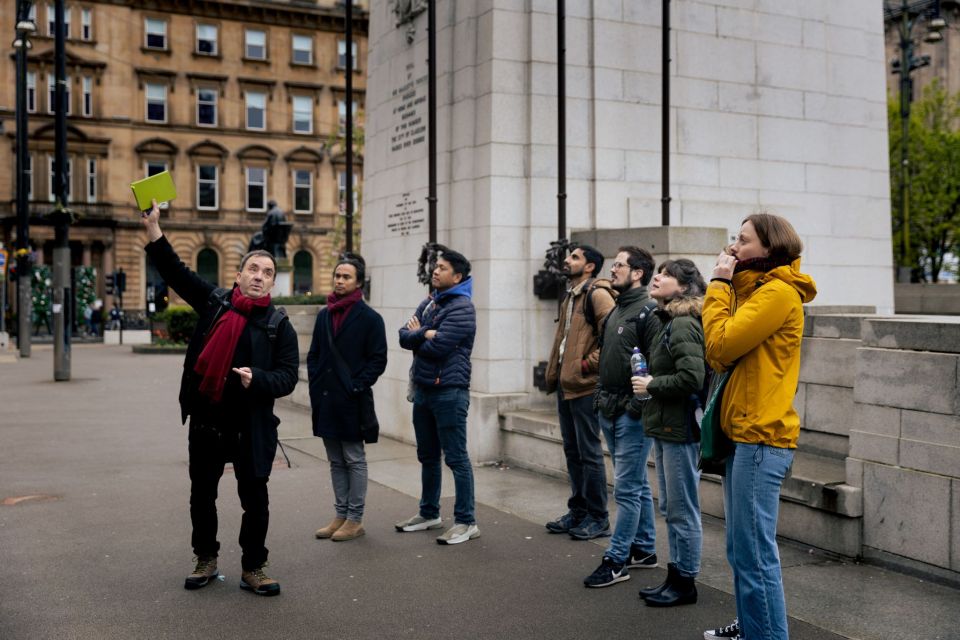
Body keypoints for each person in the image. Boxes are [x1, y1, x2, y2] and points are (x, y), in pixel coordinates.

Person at [141, 199, 299, 597]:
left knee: (255, 502)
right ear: (239, 274)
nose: (259, 277)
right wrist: (153, 228)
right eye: (253, 269)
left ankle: (254, 567)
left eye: (267, 272)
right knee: (202, 496)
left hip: (252, 427)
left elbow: (288, 378)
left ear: (273, 282)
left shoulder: (280, 325)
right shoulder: (214, 303)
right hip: (208, 421)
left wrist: (258, 379)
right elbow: (176, 272)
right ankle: (206, 558)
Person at [701, 213, 817, 640]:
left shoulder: (778, 295)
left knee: (754, 554)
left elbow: (719, 346)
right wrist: (729, 288)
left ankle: (766, 633)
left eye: (744, 240)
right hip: (745, 436)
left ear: (769, 249)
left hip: (761, 438)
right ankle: (753, 626)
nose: (734, 247)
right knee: (742, 549)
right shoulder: (755, 293)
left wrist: (717, 284)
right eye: (734, 238)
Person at [583, 246, 660, 588]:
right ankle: (643, 549)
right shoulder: (617, 309)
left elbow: (656, 367)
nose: (612, 270)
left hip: (631, 413)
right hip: (609, 408)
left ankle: (616, 561)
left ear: (638, 273)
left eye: (619, 265)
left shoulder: (649, 312)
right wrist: (601, 397)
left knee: (626, 490)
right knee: (636, 484)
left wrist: (634, 407)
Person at [631, 259, 706, 607]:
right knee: (671, 507)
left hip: (679, 429)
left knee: (681, 509)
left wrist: (652, 384)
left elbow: (693, 378)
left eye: (667, 274)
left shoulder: (683, 323)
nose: (657, 277)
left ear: (684, 286)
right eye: (658, 272)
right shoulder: (668, 321)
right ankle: (675, 577)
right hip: (665, 426)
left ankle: (685, 582)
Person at [396, 248, 479, 545]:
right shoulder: (430, 301)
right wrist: (424, 334)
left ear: (457, 276)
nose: (435, 270)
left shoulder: (462, 308)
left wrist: (424, 335)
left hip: (449, 391)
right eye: (436, 266)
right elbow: (403, 336)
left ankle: (466, 521)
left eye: (442, 268)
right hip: (424, 390)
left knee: (456, 458)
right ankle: (429, 513)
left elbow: (439, 347)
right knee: (428, 455)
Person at [308, 254, 387, 542]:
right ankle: (340, 515)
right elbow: (314, 354)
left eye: (346, 277)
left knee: (354, 458)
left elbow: (378, 360)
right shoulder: (324, 315)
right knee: (335, 460)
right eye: (337, 276)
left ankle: (355, 519)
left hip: (352, 400)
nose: (339, 281)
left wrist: (356, 386)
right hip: (326, 399)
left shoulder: (370, 319)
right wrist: (316, 383)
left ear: (358, 282)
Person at [543, 245, 615, 540]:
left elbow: (613, 334)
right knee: (573, 451)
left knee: (589, 452)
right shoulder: (571, 295)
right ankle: (579, 511)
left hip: (584, 385)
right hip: (566, 383)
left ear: (589, 267)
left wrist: (588, 364)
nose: (566, 260)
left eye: (574, 257)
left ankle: (599, 517)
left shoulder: (598, 294)